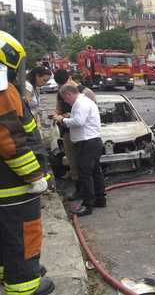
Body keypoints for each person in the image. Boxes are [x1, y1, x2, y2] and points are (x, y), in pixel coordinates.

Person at [0, 30, 55, 295]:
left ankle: (11, 270)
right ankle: (24, 284)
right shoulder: (2, 91)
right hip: (14, 188)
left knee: (6, 236)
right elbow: (11, 142)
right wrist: (35, 177)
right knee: (24, 235)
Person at [52, 85, 105, 217]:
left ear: (69, 94)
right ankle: (100, 199)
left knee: (85, 174)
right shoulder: (85, 102)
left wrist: (62, 119)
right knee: (95, 172)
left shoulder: (80, 103)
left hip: (86, 143)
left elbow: (79, 122)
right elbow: (81, 119)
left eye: (65, 99)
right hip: (93, 142)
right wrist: (71, 115)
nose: (65, 102)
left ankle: (88, 205)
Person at [53, 69, 96, 199]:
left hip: (83, 134)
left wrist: (68, 116)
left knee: (85, 165)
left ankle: (88, 193)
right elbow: (59, 107)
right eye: (60, 85)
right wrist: (58, 115)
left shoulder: (83, 91)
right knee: (73, 161)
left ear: (70, 78)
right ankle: (80, 189)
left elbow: (90, 107)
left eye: (65, 83)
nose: (63, 88)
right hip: (68, 131)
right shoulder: (61, 92)